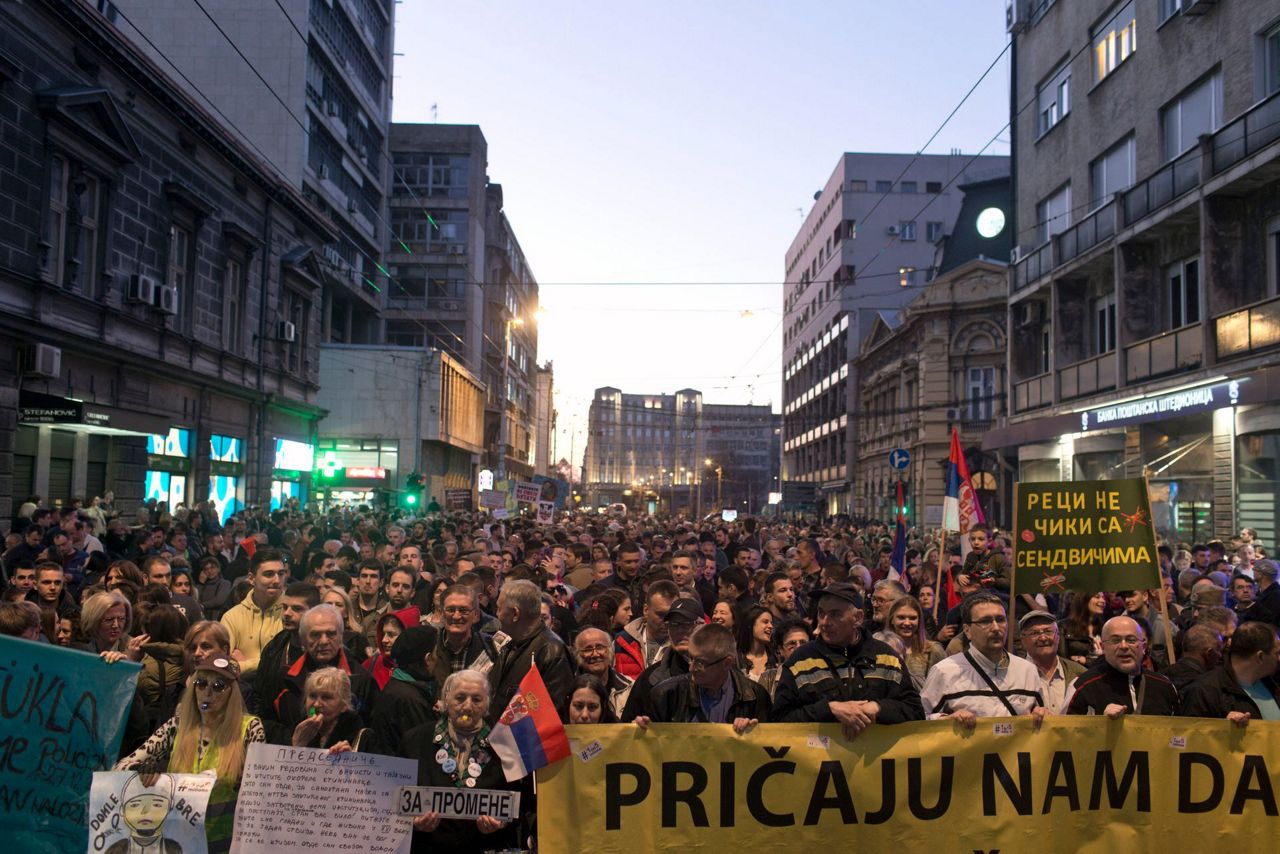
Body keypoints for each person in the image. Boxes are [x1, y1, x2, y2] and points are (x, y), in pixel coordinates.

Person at [115, 657, 265, 853]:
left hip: (226, 843)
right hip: (180, 842)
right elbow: (120, 767)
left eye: (219, 686)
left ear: (232, 693)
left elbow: (262, 788)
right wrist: (140, 769)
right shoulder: (176, 726)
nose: (207, 693)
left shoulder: (250, 729)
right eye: (201, 683)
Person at [772, 582, 924, 737]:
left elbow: (916, 711)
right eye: (821, 613)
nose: (824, 622)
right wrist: (829, 709)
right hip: (819, 759)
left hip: (875, 759)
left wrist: (878, 708)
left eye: (835, 614)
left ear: (857, 618)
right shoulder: (800, 660)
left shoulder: (887, 657)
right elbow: (779, 720)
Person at [400, 669, 520, 852]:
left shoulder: (505, 746)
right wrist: (412, 823)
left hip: (481, 847)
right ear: (447, 700)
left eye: (477, 700)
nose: (467, 707)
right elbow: (394, 797)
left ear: (487, 704)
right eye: (460, 698)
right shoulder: (414, 740)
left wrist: (501, 823)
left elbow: (518, 802)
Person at [920, 592, 1046, 725]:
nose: (996, 628)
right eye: (985, 621)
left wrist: (1041, 714)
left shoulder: (1027, 670)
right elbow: (919, 720)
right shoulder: (945, 671)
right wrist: (945, 719)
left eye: (1001, 619)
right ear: (967, 630)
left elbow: (1041, 717)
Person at [267, 604, 375, 743]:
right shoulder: (282, 677)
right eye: (315, 635)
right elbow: (268, 724)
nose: (323, 641)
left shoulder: (361, 679)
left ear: (341, 637)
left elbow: (371, 732)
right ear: (303, 641)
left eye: (331, 634)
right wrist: (292, 740)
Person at [638, 623, 770, 729]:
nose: (691, 668)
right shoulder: (665, 695)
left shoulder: (755, 697)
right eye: (691, 659)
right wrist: (640, 730)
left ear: (726, 663)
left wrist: (753, 733)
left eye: (700, 663)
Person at [489, 579, 574, 722]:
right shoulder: (510, 642)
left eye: (499, 608)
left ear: (515, 614)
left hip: (523, 741)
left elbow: (551, 714)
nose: (497, 615)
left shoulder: (552, 651)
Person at [1063, 616, 1179, 717]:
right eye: (1115, 640)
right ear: (1103, 647)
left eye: (1131, 640)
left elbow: (1179, 735)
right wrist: (1099, 724)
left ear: (1143, 647)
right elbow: (1066, 736)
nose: (1124, 646)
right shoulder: (1082, 687)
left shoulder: (1164, 687)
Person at [253, 583, 321, 744]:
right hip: (273, 737)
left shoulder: (322, 652)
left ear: (314, 613)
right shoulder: (275, 646)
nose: (287, 614)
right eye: (285, 607)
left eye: (297, 609)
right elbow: (259, 696)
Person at [1181, 620, 1280, 723]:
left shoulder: (1273, 683)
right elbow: (1189, 735)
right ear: (1260, 656)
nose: (1279, 659)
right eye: (1277, 653)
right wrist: (1222, 727)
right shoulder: (1204, 691)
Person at [371, 625, 442, 756]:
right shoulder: (409, 699)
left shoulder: (405, 688)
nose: (437, 658)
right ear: (427, 659)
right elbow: (424, 748)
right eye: (436, 653)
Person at [219, 550, 287, 680]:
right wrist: (269, 663)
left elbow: (285, 664)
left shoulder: (291, 613)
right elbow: (222, 665)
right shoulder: (232, 617)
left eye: (281, 574)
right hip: (243, 694)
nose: (277, 580)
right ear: (251, 578)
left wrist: (243, 665)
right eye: (269, 574)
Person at [1017, 610, 1085, 715]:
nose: (1043, 638)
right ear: (1023, 639)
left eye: (1048, 631)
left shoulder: (1080, 673)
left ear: (1058, 636)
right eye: (1035, 633)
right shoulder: (1013, 675)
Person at [290, 666, 370, 751]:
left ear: (344, 705)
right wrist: (296, 744)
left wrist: (350, 760)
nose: (316, 704)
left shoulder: (361, 736)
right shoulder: (296, 730)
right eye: (312, 696)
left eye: (326, 697)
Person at [613, 580, 676, 679]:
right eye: (661, 614)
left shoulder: (682, 647)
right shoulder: (621, 641)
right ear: (646, 610)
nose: (667, 621)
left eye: (672, 615)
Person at [885, 596, 946, 691]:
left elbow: (944, 686)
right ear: (892, 620)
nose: (907, 623)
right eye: (901, 617)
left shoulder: (934, 650)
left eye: (912, 618)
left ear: (919, 621)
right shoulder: (880, 648)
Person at [436, 585, 497, 676]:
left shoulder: (490, 648)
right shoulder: (429, 646)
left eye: (463, 610)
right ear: (441, 613)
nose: (456, 616)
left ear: (476, 615)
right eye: (450, 610)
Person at [572, 627, 633, 718]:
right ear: (577, 655)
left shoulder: (629, 688)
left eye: (600, 647)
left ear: (610, 650)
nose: (595, 654)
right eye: (588, 649)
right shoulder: (569, 688)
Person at [1160, 623, 1224, 696]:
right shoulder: (1208, 687)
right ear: (1208, 653)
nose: (1220, 655)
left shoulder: (1161, 678)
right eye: (1219, 650)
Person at [1120, 588, 1177, 668]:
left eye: (1131, 595)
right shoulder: (1117, 626)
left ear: (1145, 596)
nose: (1127, 600)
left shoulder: (1166, 627)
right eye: (1123, 597)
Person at [1059, 591, 1106, 666]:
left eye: (1103, 598)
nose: (1103, 601)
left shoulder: (1105, 627)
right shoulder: (1064, 626)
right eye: (1097, 597)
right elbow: (1063, 660)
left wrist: (1087, 661)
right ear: (1083, 600)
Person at [736, 605, 776, 681]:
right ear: (750, 625)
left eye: (771, 623)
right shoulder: (736, 659)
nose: (771, 626)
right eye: (765, 622)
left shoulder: (776, 658)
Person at [1242, 559, 1280, 627]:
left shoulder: (1276, 595)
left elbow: (1271, 620)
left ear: (1260, 575)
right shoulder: (1260, 593)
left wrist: (1253, 602)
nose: (1253, 573)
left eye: (1255, 571)